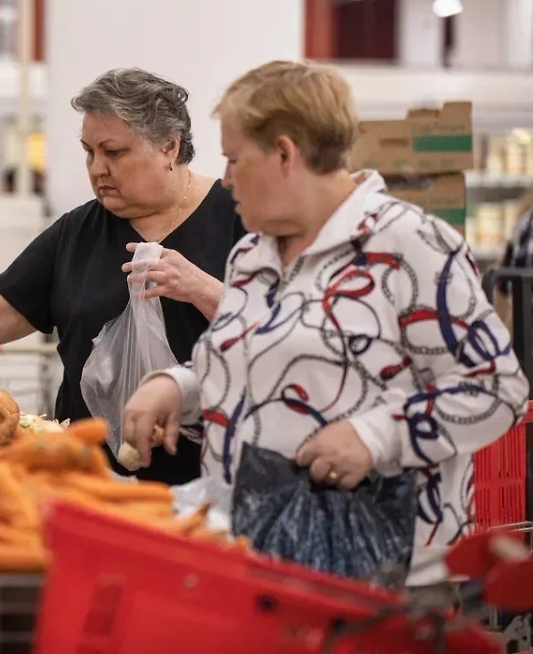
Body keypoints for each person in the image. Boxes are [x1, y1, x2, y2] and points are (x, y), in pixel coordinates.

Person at [122, 60, 529, 588]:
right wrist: (177, 386)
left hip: (377, 579)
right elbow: (257, 367)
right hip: (255, 559)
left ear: (285, 155)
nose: (224, 179)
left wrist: (374, 435)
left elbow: (497, 388)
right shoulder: (253, 253)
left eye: (235, 159)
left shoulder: (409, 245)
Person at [0, 67, 247, 484]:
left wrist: (205, 290)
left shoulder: (240, 223)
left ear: (169, 147)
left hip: (214, 479)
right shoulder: (77, 232)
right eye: (90, 152)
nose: (98, 169)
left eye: (114, 152)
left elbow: (272, 332)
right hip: (85, 475)